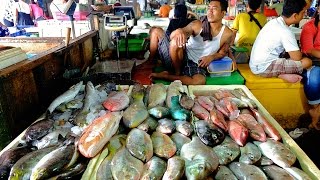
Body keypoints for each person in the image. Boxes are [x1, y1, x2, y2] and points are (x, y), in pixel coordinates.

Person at [150, 0, 234, 85]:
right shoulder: (197, 24)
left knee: (199, 81)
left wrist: (211, 57)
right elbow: (175, 35)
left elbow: (222, 53)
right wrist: (179, 31)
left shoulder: (228, 34)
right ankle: (176, 72)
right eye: (209, 8)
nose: (210, 11)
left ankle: (166, 76)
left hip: (196, 63)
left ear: (223, 13)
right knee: (163, 34)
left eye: (214, 8)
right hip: (179, 57)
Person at [249, 0, 312, 83]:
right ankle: (280, 73)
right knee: (307, 62)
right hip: (263, 68)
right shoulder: (286, 31)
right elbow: (297, 58)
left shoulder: (273, 22)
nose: (304, 15)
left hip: (255, 65)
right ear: (295, 15)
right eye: (303, 13)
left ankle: (280, 72)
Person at [300, 1, 320, 130]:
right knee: (313, 79)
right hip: (314, 62)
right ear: (318, 9)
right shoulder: (310, 26)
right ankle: (315, 110)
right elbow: (308, 49)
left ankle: (317, 112)